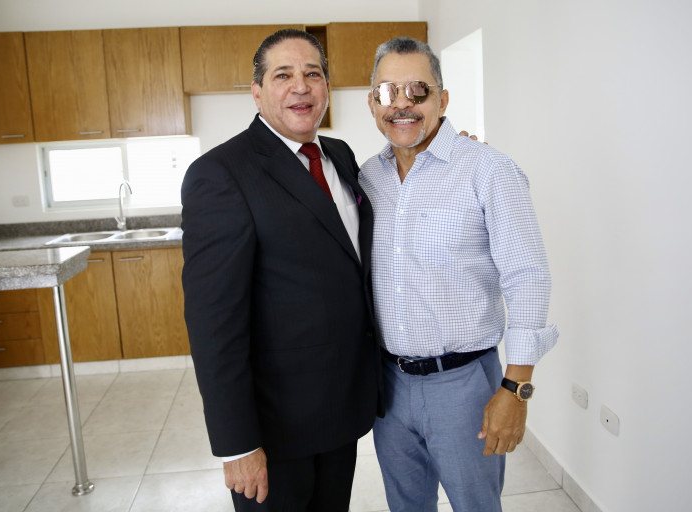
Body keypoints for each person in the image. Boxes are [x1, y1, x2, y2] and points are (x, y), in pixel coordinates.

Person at [180, 28, 381, 512]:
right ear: (257, 91)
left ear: (326, 87)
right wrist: (237, 445)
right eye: (283, 75)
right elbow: (213, 323)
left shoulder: (340, 156)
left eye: (313, 74)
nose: (301, 86)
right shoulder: (221, 173)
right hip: (274, 430)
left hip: (341, 410)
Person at [358, 37, 559, 512]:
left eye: (418, 90)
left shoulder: (488, 171)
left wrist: (516, 389)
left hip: (464, 385)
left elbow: (527, 277)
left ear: (443, 100)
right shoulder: (367, 178)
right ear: (372, 103)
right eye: (387, 92)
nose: (401, 104)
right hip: (388, 385)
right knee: (406, 506)